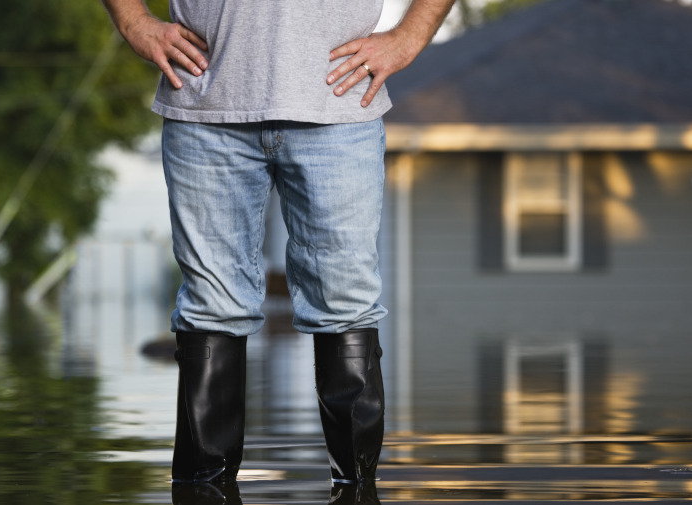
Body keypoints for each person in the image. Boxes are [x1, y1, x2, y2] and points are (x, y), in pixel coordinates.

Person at [99, 0, 455, 487]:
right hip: (205, 108)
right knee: (210, 308)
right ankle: (205, 490)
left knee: (345, 304)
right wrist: (133, 21)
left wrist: (411, 34)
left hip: (338, 107)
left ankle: (357, 490)